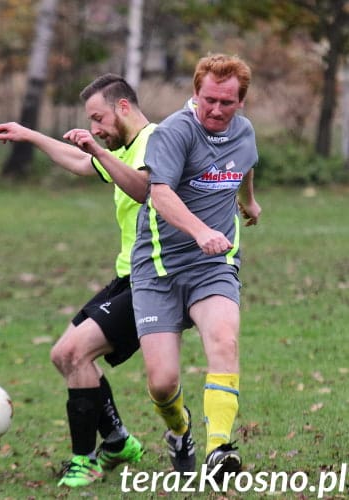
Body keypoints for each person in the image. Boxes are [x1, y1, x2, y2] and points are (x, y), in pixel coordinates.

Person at [0, 74, 153, 488]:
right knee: (64, 356)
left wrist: (96, 147)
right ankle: (117, 442)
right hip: (126, 276)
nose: (94, 128)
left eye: (98, 118)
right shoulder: (124, 147)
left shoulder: (155, 143)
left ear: (123, 108)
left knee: (76, 353)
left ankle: (86, 461)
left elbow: (143, 189)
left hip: (156, 281)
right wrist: (30, 135)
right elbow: (83, 162)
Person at [130, 53, 261, 478]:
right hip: (159, 268)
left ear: (241, 101)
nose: (217, 110)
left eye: (227, 102)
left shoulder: (244, 132)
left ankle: (219, 449)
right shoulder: (173, 132)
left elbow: (244, 167)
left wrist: (248, 202)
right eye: (209, 100)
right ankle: (180, 429)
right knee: (162, 383)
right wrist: (199, 230)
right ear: (195, 93)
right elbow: (160, 193)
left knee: (224, 340)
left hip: (214, 264)